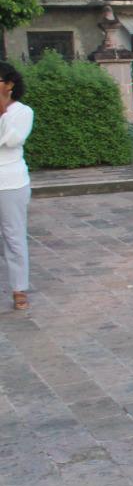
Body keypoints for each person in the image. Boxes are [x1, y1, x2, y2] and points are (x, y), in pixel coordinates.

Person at [0, 61, 33, 312]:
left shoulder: (22, 112)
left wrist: (1, 108)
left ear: (9, 84)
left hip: (10, 182)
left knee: (13, 236)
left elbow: (13, 140)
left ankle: (19, 288)